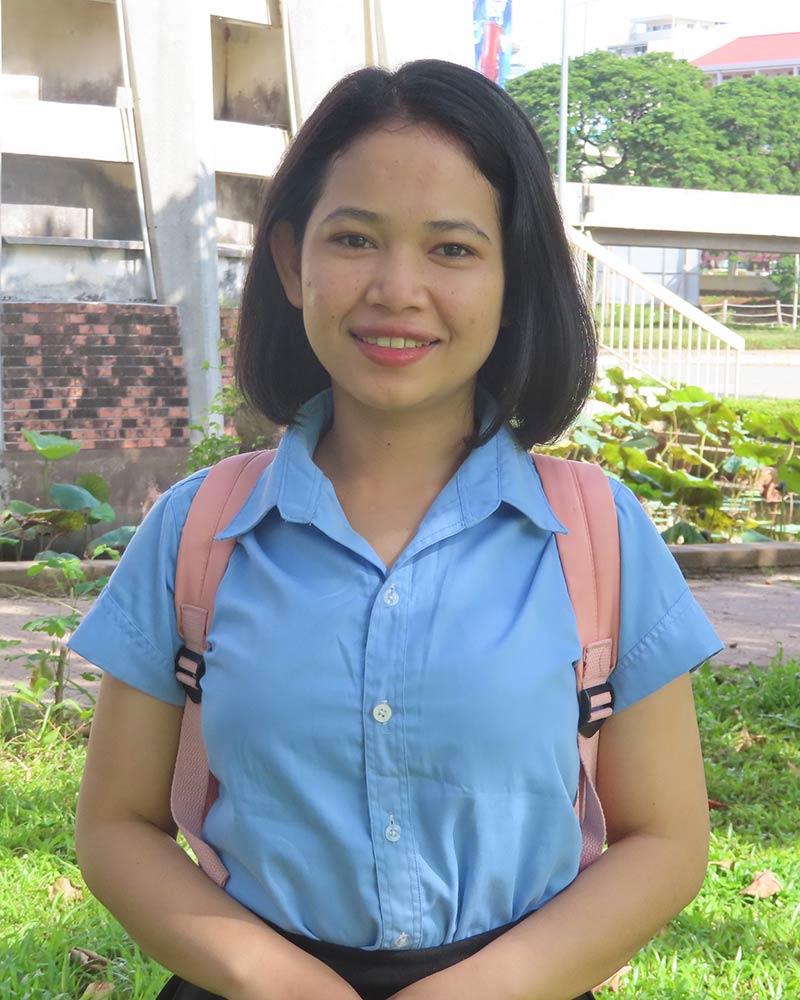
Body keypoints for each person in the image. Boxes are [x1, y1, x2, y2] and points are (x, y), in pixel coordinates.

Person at [71, 59, 722, 1000]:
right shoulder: (197, 531)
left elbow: (664, 840)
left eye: (452, 249)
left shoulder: (596, 533)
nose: (396, 288)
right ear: (294, 263)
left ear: (513, 277)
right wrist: (282, 982)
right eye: (355, 239)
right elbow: (118, 825)